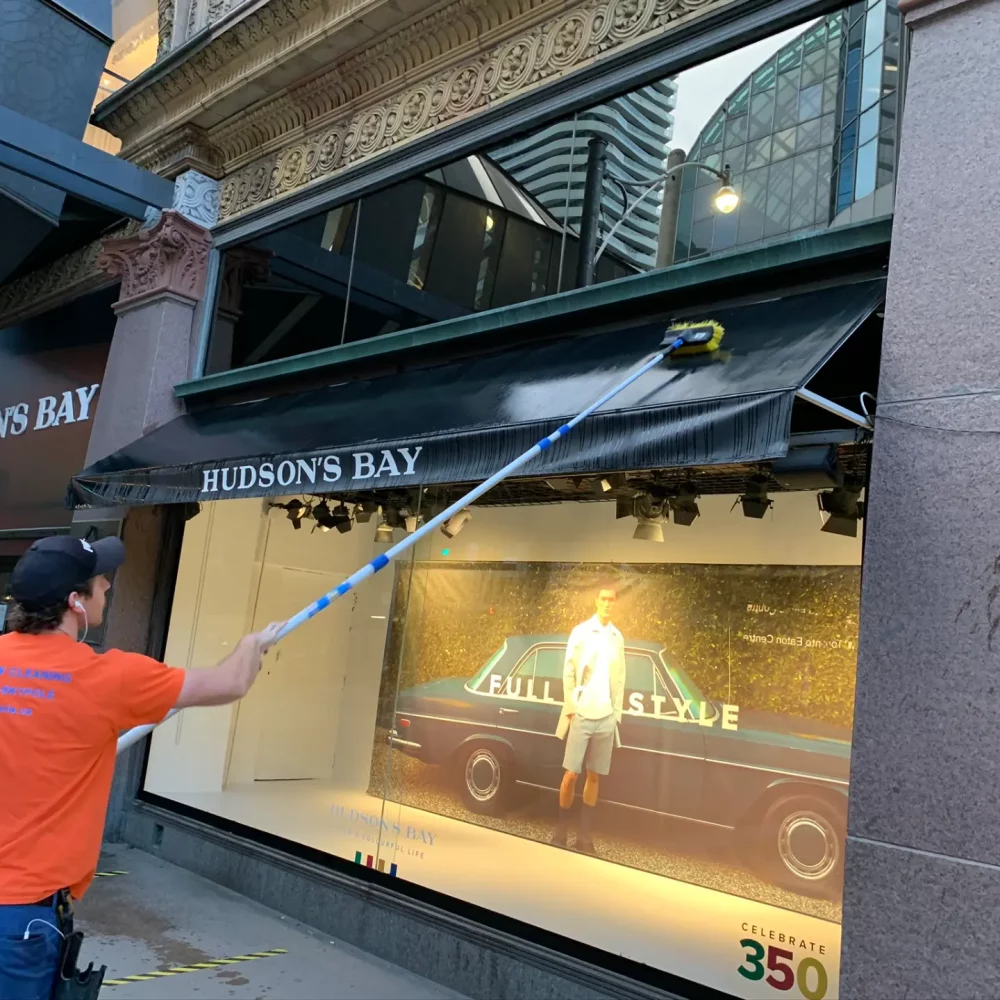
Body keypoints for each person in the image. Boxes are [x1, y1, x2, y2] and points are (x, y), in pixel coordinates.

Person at [0, 535, 284, 1000]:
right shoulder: (106, 677)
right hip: (23, 918)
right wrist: (252, 644)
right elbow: (229, 682)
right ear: (75, 601)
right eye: (99, 581)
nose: (108, 585)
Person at [552, 584, 626, 854]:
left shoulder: (617, 637)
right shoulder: (581, 631)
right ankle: (561, 831)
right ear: (596, 601)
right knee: (571, 774)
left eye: (612, 600)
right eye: (604, 598)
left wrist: (616, 714)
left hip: (606, 717)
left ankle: (584, 837)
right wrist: (572, 707)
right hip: (582, 714)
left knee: (594, 776)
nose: (608, 603)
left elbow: (620, 678)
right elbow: (568, 670)